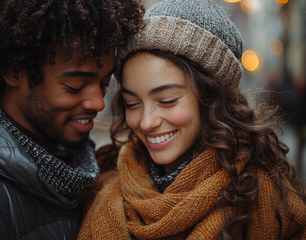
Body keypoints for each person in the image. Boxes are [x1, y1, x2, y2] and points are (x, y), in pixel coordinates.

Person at [77, 0, 306, 239]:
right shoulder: (100, 184)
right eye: (132, 104)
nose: (146, 122)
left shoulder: (269, 199)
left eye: (167, 101)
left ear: (211, 99)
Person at [0, 0, 144, 239]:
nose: (98, 103)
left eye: (104, 83)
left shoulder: (80, 159)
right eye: (75, 85)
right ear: (13, 71)